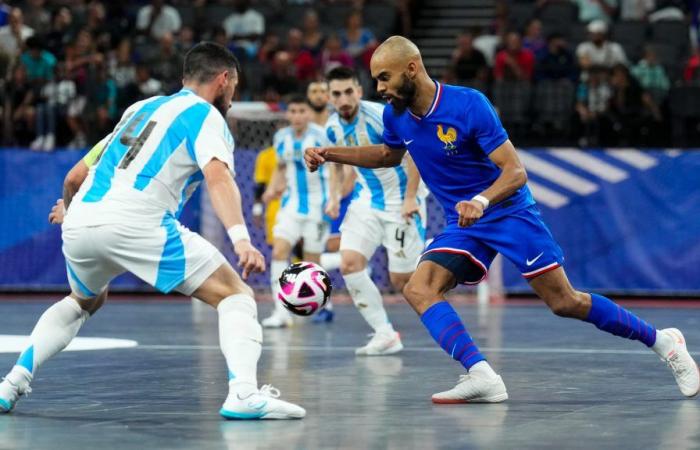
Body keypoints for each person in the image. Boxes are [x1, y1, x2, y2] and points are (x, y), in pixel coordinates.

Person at [305, 36, 699, 403]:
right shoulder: (396, 116)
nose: (380, 88)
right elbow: (389, 156)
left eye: (384, 78)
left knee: (564, 301)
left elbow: (515, 172)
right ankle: (481, 375)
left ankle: (664, 342)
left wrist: (480, 199)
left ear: (411, 69)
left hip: (508, 210)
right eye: (376, 81)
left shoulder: (468, 104)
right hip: (466, 223)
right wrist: (331, 154)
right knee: (419, 288)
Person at [1, 42, 305, 420]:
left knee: (82, 301)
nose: (233, 96)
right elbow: (218, 176)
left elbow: (75, 176)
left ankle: (11, 383)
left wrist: (71, 208)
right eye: (235, 87)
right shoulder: (207, 116)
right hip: (138, 220)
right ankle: (243, 393)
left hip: (81, 222)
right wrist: (242, 240)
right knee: (235, 295)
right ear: (224, 80)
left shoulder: (137, 109)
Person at [322, 66, 426, 355]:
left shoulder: (382, 116)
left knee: (402, 281)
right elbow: (339, 164)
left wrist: (411, 198)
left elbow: (416, 152)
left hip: (401, 200)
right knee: (350, 264)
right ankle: (385, 334)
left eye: (348, 91)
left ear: (358, 91)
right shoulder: (331, 126)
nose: (343, 98)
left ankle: (430, 252)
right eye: (336, 93)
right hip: (366, 200)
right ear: (329, 97)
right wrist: (333, 197)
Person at [261, 94, 330, 328]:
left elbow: (339, 168)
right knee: (279, 251)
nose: (297, 116)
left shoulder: (321, 136)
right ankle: (281, 313)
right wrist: (271, 190)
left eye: (302, 111)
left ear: (309, 113)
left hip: (317, 206)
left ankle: (323, 306)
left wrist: (336, 197)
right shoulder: (281, 137)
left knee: (312, 261)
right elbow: (281, 168)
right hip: (290, 205)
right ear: (287, 113)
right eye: (293, 111)